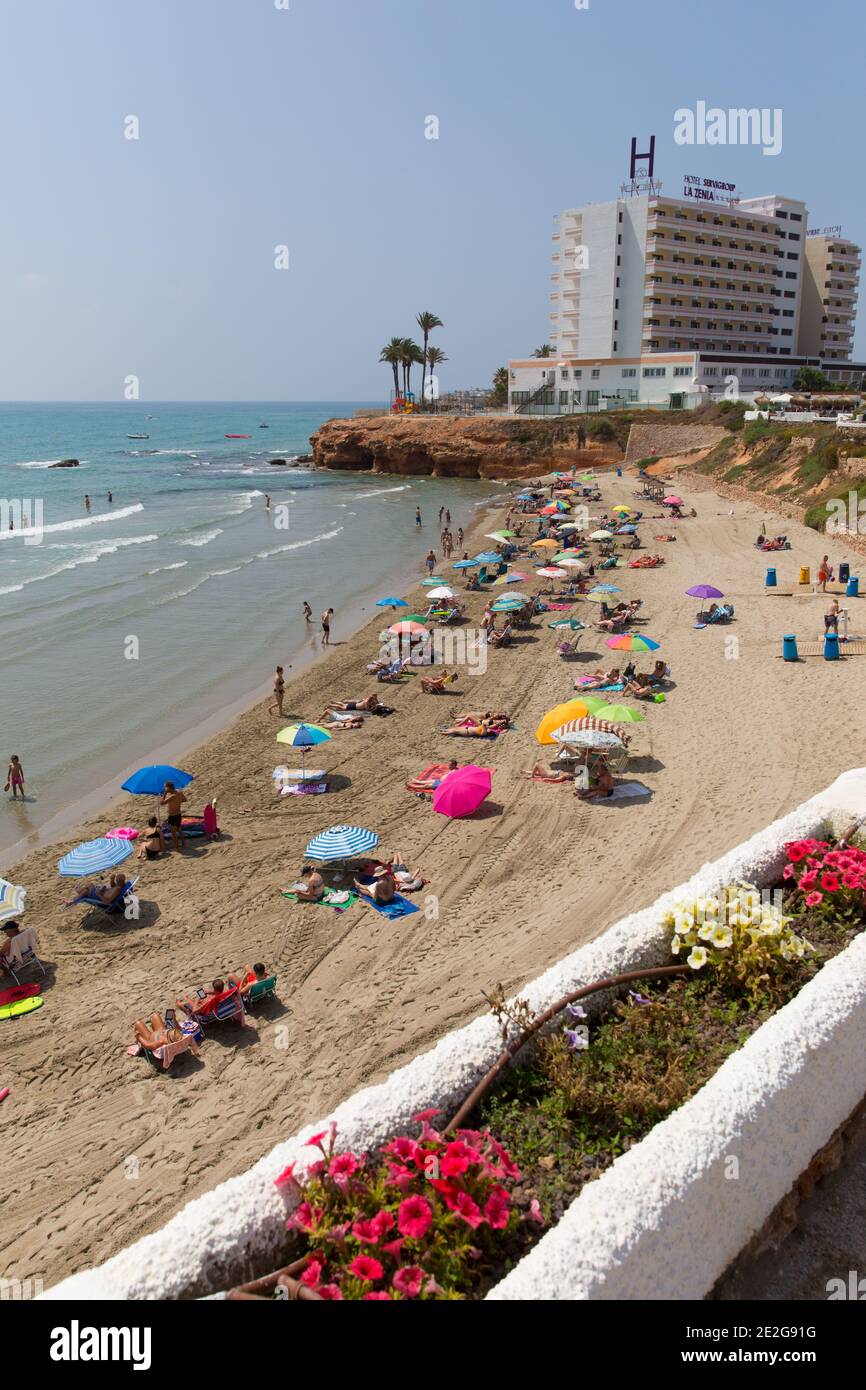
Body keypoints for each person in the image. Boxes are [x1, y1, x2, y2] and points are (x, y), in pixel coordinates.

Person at [161, 781, 187, 850]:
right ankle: (184, 843)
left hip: (172, 816)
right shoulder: (179, 792)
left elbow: (162, 803)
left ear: (168, 788)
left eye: (165, 788)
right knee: (179, 829)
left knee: (173, 832)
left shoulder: (172, 796)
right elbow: (185, 799)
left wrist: (165, 793)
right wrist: (177, 802)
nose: (165, 789)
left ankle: (177, 847)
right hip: (178, 814)